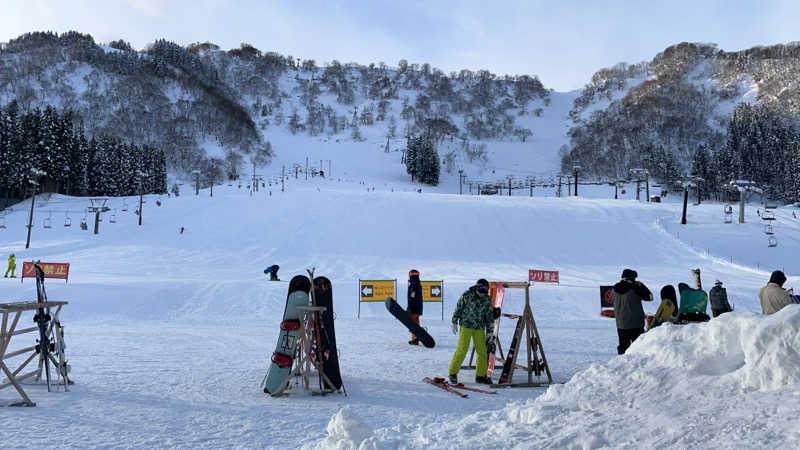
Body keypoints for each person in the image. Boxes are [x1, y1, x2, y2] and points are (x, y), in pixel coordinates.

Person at [448, 279, 495, 384]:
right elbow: (458, 308)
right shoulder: (467, 295)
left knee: (482, 352)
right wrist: (454, 321)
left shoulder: (487, 299)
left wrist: (490, 331)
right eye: (481, 291)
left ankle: (480, 375)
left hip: (479, 328)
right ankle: (452, 372)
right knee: (462, 350)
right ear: (477, 288)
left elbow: (489, 316)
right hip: (466, 326)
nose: (482, 294)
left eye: (485, 292)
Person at [611, 269, 652, 355]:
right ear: (631, 278)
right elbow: (650, 297)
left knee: (623, 348)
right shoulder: (635, 288)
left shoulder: (614, 289)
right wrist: (641, 285)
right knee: (638, 349)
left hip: (621, 324)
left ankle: (621, 364)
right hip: (636, 324)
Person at [406, 269, 423, 345]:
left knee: (412, 324)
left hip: (413, 308)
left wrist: (409, 307)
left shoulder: (413, 285)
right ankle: (418, 336)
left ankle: (415, 338)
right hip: (418, 308)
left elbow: (412, 297)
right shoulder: (418, 285)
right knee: (416, 323)